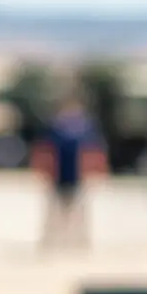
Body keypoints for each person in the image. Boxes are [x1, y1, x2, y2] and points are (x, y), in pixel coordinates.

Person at [30, 93, 109, 250]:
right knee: (54, 212)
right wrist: (43, 171)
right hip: (58, 178)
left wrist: (96, 172)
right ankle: (50, 241)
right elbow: (44, 151)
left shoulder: (86, 131)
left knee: (79, 213)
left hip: (77, 177)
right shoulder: (54, 130)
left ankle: (80, 242)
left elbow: (95, 152)